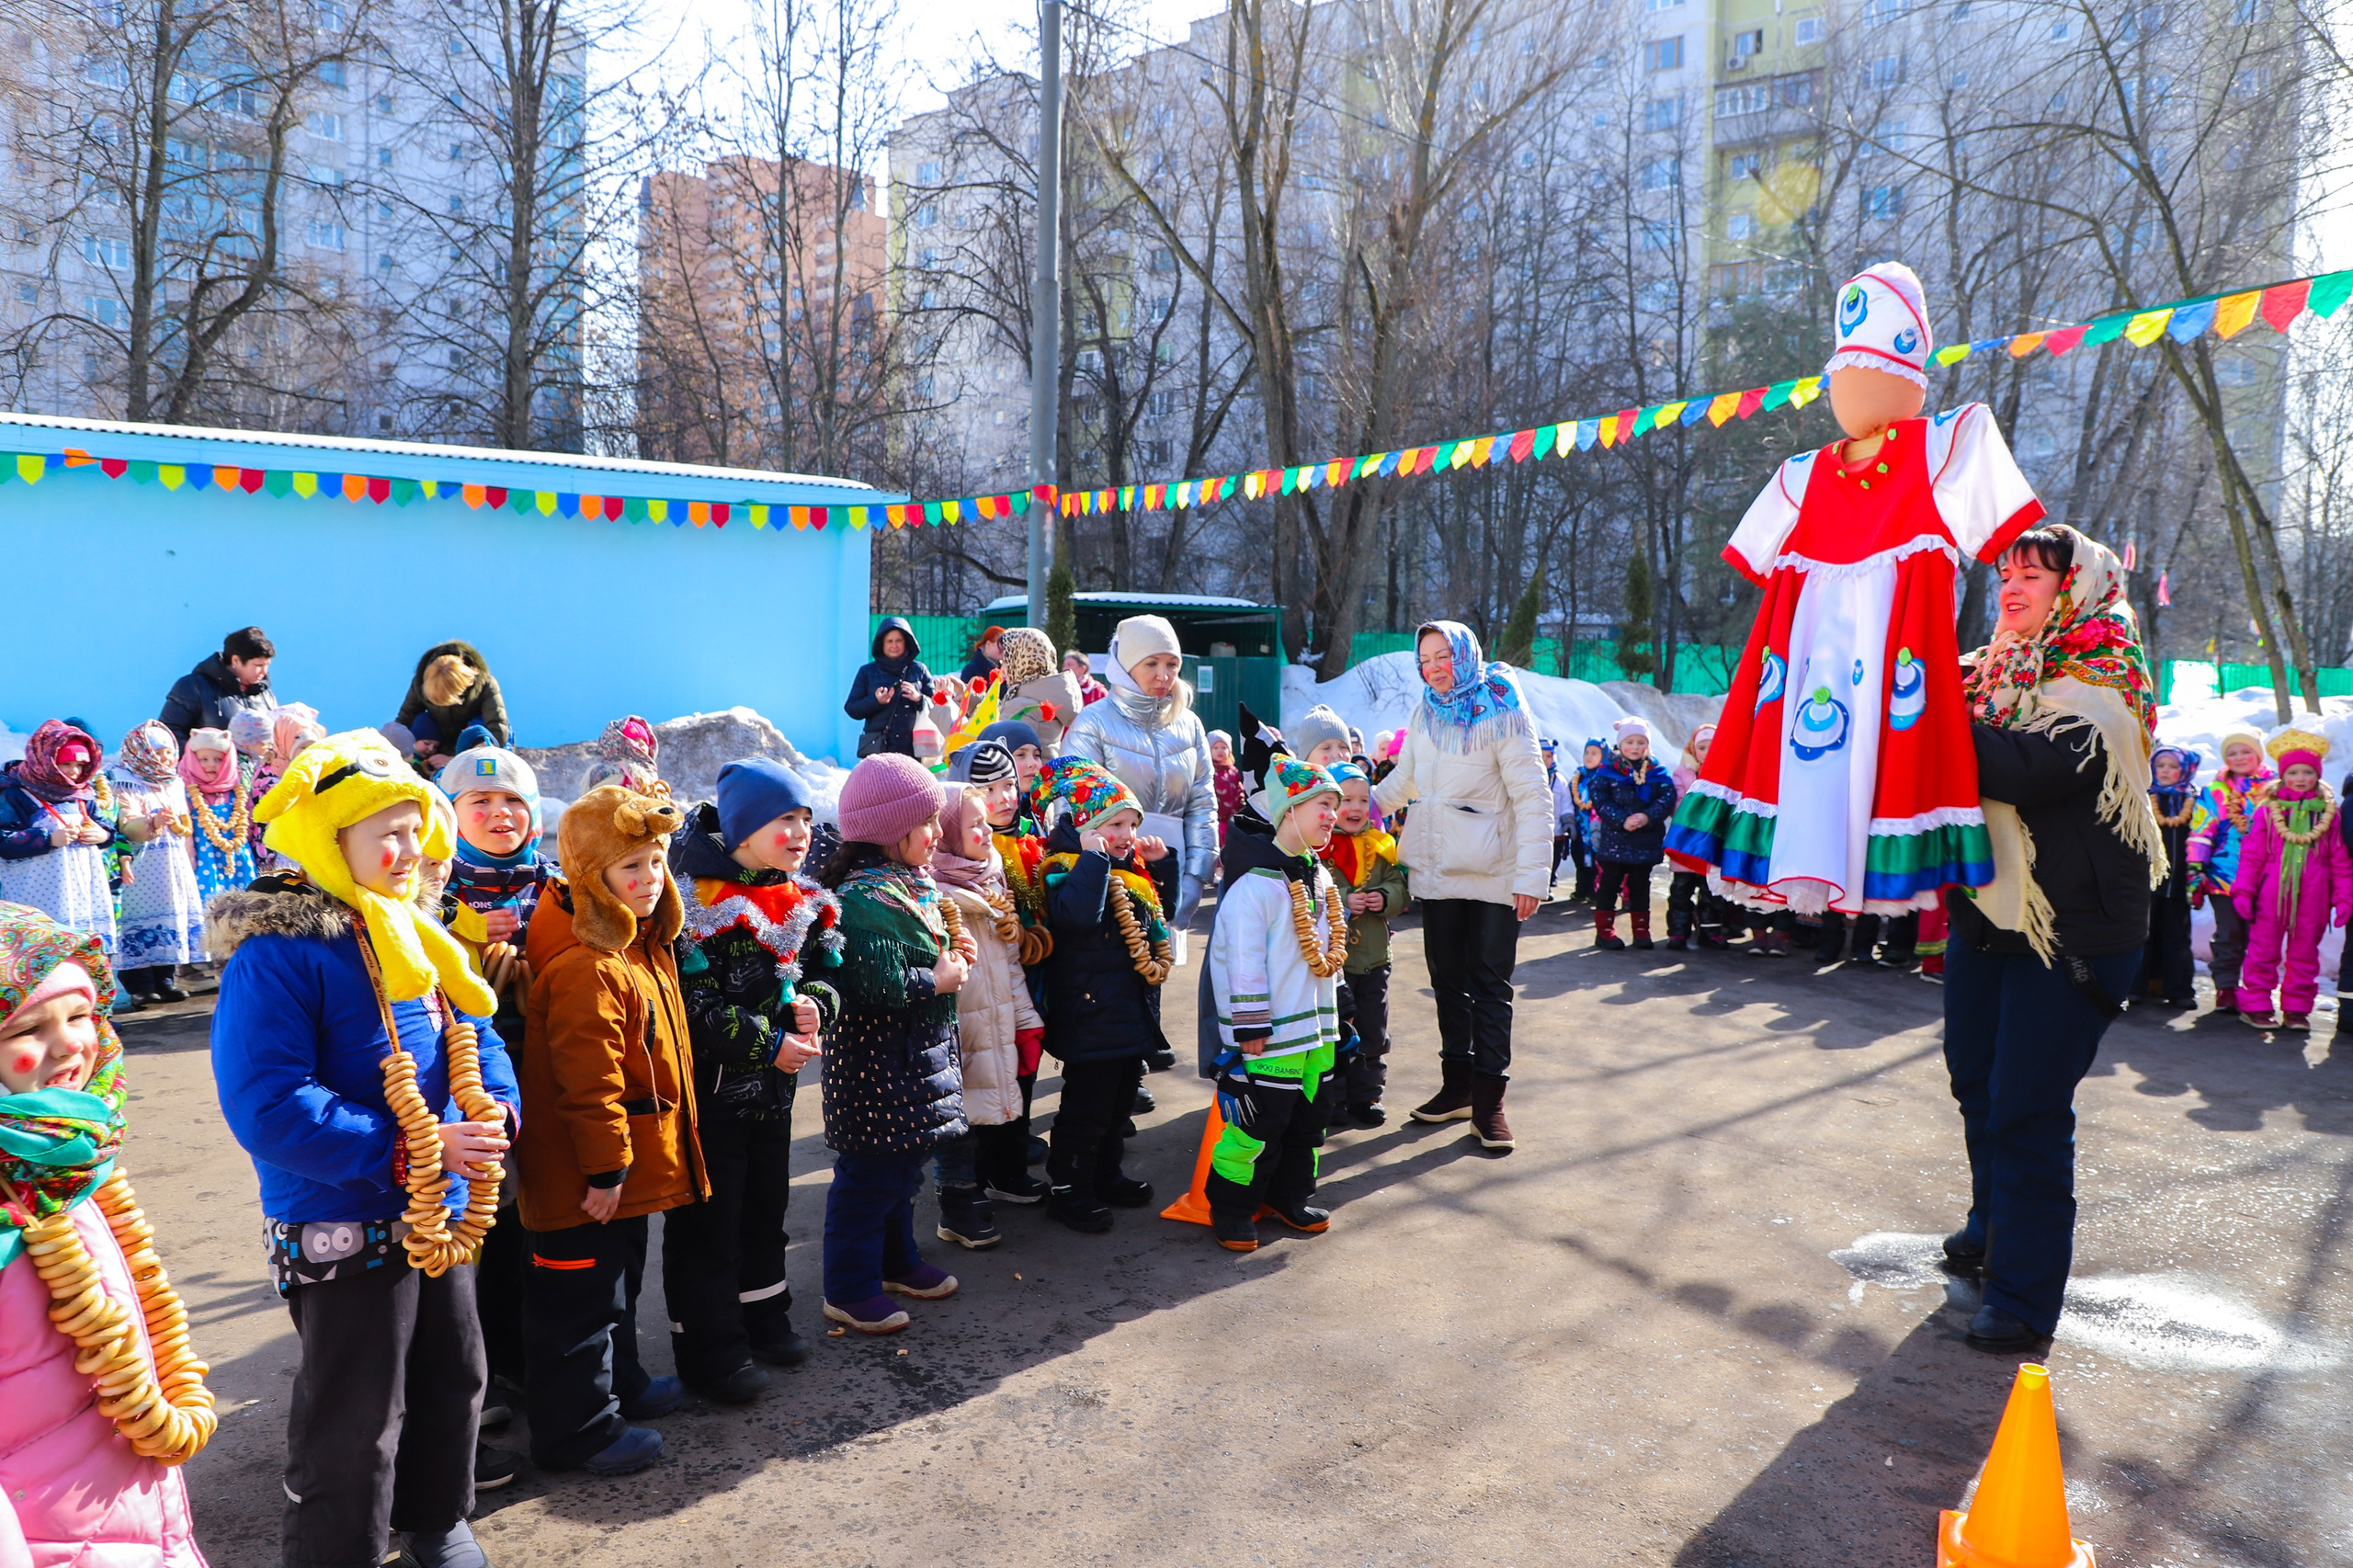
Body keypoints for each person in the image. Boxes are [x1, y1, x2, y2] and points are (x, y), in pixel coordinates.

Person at [208, 728, 518, 1568]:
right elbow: (269, 1103)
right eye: (386, 831)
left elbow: (477, 1031)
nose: (409, 847)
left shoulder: (415, 932)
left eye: (414, 827)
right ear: (327, 841)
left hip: (439, 1205)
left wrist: (497, 1114)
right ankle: (335, 1550)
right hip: (338, 1214)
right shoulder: (278, 956)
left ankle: (437, 1517)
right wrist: (409, 1151)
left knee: (452, 1377)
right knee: (356, 1410)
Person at [1666, 262, 2035, 921]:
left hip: (1891, 671)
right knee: (1819, 770)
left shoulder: (1944, 447)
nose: (1850, 389)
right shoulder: (1800, 477)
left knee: (1873, 767)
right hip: (1810, 672)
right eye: (1844, 374)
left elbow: (2007, 538)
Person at [1944, 524, 2161, 1354]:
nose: (2013, 586)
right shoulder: (1991, 672)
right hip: (1991, 916)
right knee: (1976, 1083)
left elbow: (2021, 769)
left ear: (2077, 586)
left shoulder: (2104, 678)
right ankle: (1990, 1224)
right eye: (2005, 571)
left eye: (2034, 574)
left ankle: (2024, 1297)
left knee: (2028, 1109)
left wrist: (1926, 715)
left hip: (2075, 934)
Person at [0, 904, 216, 1566]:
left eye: (82, 1015)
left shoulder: (67, 1160)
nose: (71, 1044)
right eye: (29, 1028)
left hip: (127, 1515)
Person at [517, 783, 704, 1476]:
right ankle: (577, 1433)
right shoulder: (585, 964)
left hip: (614, 1173)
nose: (650, 881)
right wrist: (604, 1171)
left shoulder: (629, 940)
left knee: (615, 1289)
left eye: (657, 864)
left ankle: (619, 1387)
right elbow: (586, 1082)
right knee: (577, 1307)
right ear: (593, 877)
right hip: (583, 1178)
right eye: (633, 869)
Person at [666, 758, 842, 1390]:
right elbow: (696, 1008)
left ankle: (765, 1319)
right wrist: (769, 1046)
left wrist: (816, 1006)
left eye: (804, 819)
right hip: (713, 1102)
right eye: (782, 820)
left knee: (766, 1211)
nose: (800, 833)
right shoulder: (696, 906)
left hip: (772, 1096)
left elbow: (827, 974)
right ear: (742, 831)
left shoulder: (795, 896)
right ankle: (710, 1351)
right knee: (711, 1226)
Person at [1375, 622, 1551, 1152]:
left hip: (1497, 875)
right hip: (1440, 870)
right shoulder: (1426, 711)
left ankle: (1490, 1102)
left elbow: (1533, 797)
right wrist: (1348, 810)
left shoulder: (1503, 709)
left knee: (1490, 987)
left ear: (1465, 655)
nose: (1433, 667)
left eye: (1443, 655)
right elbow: (1402, 782)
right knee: (1448, 981)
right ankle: (1457, 1088)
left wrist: (1531, 878)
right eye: (1425, 658)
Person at [817, 753, 971, 1335]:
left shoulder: (909, 886)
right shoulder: (862, 903)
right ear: (887, 831)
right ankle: (849, 1288)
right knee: (867, 1182)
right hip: (874, 1071)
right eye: (927, 823)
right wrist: (938, 978)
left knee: (903, 1172)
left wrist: (949, 960)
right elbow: (872, 983)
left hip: (912, 1063)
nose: (938, 834)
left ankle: (896, 1263)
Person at [1205, 757, 1349, 1251]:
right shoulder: (1255, 888)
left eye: (1337, 805)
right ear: (1289, 809)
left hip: (1318, 1034)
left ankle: (1290, 1197)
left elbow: (1331, 952)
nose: (1334, 814)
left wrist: (1341, 1009)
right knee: (1257, 1127)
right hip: (1273, 1036)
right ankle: (1231, 1207)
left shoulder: (1320, 878)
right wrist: (1249, 1027)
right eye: (1323, 805)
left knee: (1309, 1124)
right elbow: (1240, 962)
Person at [1032, 756, 1174, 1232]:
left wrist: (1160, 869)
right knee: (1086, 1109)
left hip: (1127, 1012)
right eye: (1115, 824)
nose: (1127, 834)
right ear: (1087, 825)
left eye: (1132, 824)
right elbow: (1077, 917)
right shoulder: (1064, 867)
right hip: (1090, 1013)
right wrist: (1094, 858)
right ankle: (1068, 1187)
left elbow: (1158, 919)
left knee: (1117, 1106)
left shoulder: (1127, 870)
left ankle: (1105, 1172)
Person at [928, 770, 1048, 1248]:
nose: (983, 832)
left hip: (997, 1016)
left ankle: (998, 1179)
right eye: (971, 824)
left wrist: (1025, 1018)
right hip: (958, 1028)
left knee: (999, 1104)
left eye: (985, 822)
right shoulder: (940, 894)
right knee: (958, 1125)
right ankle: (957, 1205)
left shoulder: (992, 877)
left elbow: (1010, 959)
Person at [1061, 613, 1218, 949]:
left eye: (1172, 664)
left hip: (1169, 877)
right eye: (1151, 663)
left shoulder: (1189, 725)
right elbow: (1072, 807)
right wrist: (1093, 879)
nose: (1164, 676)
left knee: (1154, 979)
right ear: (1127, 665)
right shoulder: (1094, 722)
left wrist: (1192, 880)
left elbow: (1203, 805)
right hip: (1107, 884)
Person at [2230, 731, 2351, 1031]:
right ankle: (2256, 1004)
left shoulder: (2329, 815)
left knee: (2305, 954)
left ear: (2317, 775)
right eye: (2293, 772)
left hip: (2314, 896)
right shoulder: (2268, 813)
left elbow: (2340, 860)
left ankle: (2297, 1008)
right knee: (2263, 950)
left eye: (2308, 772)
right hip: (2272, 893)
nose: (2300, 778)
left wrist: (2344, 897)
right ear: (2283, 776)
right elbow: (2252, 855)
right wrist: (2244, 890)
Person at [1321, 762, 1408, 1128]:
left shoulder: (1381, 845)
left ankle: (1367, 1095)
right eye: (1346, 800)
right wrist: (1343, 898)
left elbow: (1401, 890)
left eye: (1362, 800)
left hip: (1374, 959)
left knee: (1373, 1031)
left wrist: (1385, 897)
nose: (1355, 808)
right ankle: (1334, 1097)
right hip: (1336, 965)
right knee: (1337, 1032)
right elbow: (1313, 897)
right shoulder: (1320, 849)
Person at [0, 720, 119, 955]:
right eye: (66, 764)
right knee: (44, 956)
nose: (75, 772)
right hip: (36, 897)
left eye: (80, 765)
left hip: (85, 894)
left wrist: (102, 834)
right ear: (47, 760)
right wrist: (47, 839)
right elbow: (4, 841)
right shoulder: (17, 793)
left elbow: (107, 828)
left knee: (85, 954)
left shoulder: (82, 794)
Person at [109, 722, 206, 1004]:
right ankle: (139, 986)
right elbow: (126, 825)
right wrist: (151, 822)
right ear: (142, 751)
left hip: (171, 866)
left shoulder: (173, 782)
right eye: (159, 752)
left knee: (171, 916)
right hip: (142, 865)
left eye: (168, 753)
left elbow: (186, 822)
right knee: (137, 920)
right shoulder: (123, 780)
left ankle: (165, 979)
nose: (165, 759)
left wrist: (176, 824)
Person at [2186, 730, 2276, 1016]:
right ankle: (2225, 987)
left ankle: (2255, 990)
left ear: (2258, 756)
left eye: (2245, 752)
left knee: (2261, 936)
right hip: (2224, 876)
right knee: (2229, 932)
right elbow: (2201, 832)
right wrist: (2196, 868)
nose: (2239, 758)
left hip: (2265, 877)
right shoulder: (2216, 792)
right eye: (2232, 754)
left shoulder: (2275, 790)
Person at [1589, 717, 1679, 953]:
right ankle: (1604, 931)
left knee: (1640, 886)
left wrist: (1648, 816)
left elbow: (1667, 797)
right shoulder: (1607, 772)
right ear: (1620, 745)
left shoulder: (1657, 772)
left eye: (1641, 742)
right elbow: (1599, 799)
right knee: (1609, 885)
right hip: (1615, 841)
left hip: (1645, 842)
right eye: (1630, 741)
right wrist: (1622, 819)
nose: (1636, 747)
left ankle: (1641, 930)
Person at [2135, 744, 2201, 1010]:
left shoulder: (2193, 801)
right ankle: (2135, 987)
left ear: (2186, 771)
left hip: (2180, 884)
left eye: (2173, 767)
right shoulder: (2144, 797)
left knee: (2177, 937)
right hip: (2147, 883)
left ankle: (2179, 989)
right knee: (2144, 934)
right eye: (2161, 765)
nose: (2165, 771)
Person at [179, 724, 258, 908]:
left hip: (238, 859)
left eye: (217, 759)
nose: (210, 765)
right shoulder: (186, 791)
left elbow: (251, 822)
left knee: (243, 906)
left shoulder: (237, 792)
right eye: (203, 759)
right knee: (207, 906)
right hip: (204, 860)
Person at [158, 625, 276, 744]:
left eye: (267, 665)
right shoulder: (194, 686)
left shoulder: (266, 696)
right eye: (258, 665)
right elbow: (169, 733)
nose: (264, 672)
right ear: (236, 660)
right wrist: (201, 759)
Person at [396, 642, 511, 762]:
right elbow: (405, 719)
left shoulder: (486, 686)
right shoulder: (419, 683)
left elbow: (498, 731)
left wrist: (454, 760)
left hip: (472, 749)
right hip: (438, 747)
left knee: (481, 730)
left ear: (464, 688)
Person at [1665, 724, 1725, 950]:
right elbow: (1678, 804)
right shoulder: (1682, 773)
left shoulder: (1725, 771)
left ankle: (1710, 931)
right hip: (1686, 843)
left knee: (1711, 892)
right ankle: (1678, 931)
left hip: (1712, 843)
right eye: (1702, 747)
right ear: (1693, 749)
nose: (1707, 752)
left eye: (1712, 747)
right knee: (1681, 890)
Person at [845, 618, 937, 759]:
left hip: (913, 752)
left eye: (898, 640)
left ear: (907, 642)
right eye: (889, 641)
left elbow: (937, 707)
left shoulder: (919, 670)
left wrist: (919, 699)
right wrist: (876, 701)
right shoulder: (867, 672)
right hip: (879, 751)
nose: (894, 645)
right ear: (882, 644)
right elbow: (851, 708)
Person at [993, 629, 1086, 754]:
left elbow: (994, 745)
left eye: (1005, 661)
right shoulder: (1042, 694)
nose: (1002, 668)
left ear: (1020, 662)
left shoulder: (1022, 705)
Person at [582, 716, 663, 794]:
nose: (642, 743)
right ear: (620, 742)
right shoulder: (609, 771)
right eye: (635, 740)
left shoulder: (651, 774)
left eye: (645, 741)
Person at [1289, 706, 1355, 770]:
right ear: (1305, 758)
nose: (1337, 754)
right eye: (1326, 748)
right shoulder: (1294, 781)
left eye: (1343, 747)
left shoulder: (1360, 780)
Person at [1209, 731, 1245, 846]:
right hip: (1214, 818)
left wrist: (1241, 800)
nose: (1220, 750)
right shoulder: (1209, 771)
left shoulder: (1233, 771)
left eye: (1224, 747)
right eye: (1216, 748)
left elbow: (1238, 789)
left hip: (1231, 819)